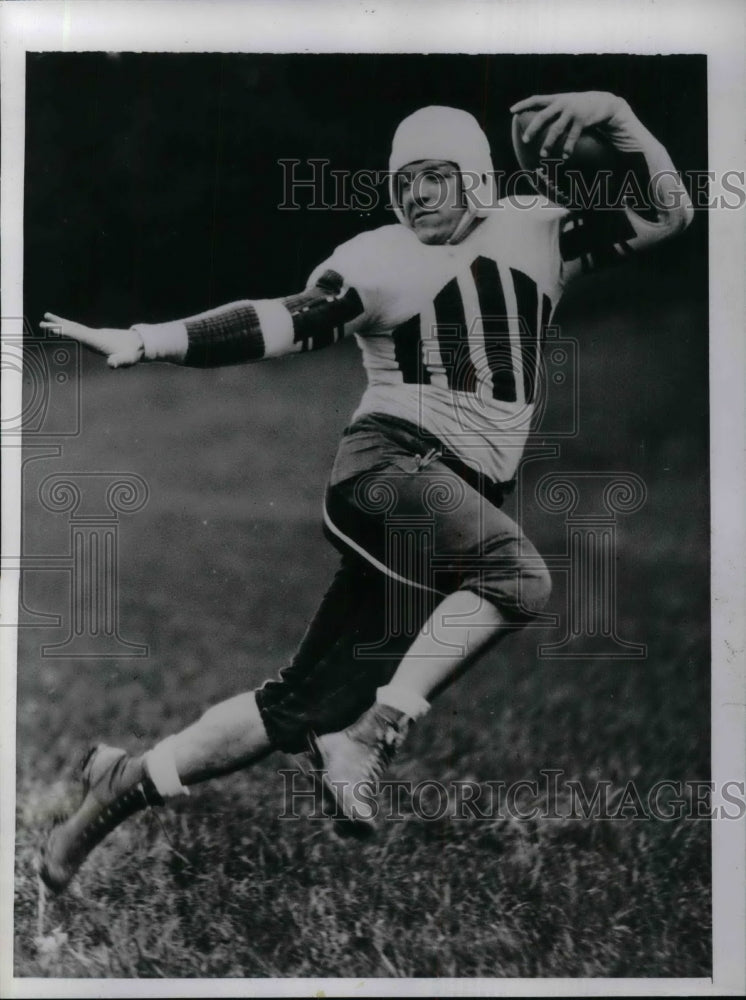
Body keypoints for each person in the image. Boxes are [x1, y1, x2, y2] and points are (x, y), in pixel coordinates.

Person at [38, 92, 693, 892]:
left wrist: (619, 117)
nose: (414, 195)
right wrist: (150, 339)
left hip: (445, 510)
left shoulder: (541, 232)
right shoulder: (381, 257)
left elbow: (670, 208)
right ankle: (373, 733)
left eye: (432, 177)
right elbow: (280, 321)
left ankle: (118, 788)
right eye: (403, 180)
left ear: (476, 179)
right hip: (388, 472)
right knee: (520, 578)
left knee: (296, 707)